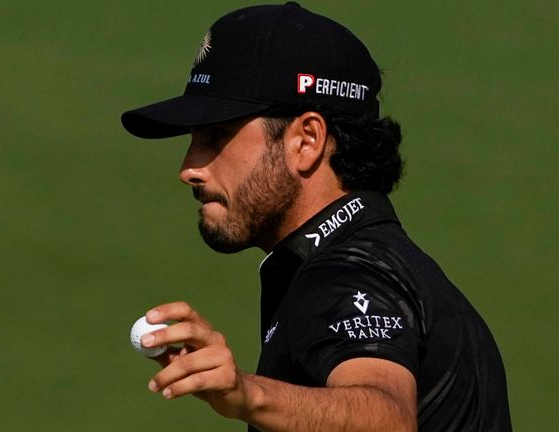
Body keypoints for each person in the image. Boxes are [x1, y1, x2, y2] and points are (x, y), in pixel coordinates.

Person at [121, 2, 512, 431]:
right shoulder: (378, 261)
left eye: (217, 135)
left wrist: (249, 395)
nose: (189, 167)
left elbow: (388, 419)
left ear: (306, 140)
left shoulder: (345, 272)